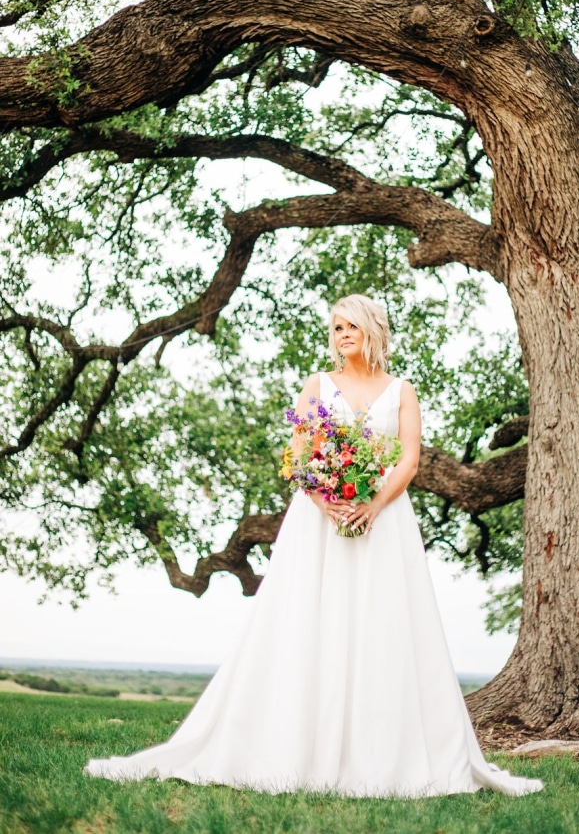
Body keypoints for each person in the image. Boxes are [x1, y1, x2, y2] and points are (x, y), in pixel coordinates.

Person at [86, 295, 543, 798]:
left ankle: (383, 750)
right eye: (336, 327)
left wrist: (371, 505)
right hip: (318, 521)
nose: (342, 334)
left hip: (384, 521)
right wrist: (330, 503)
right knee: (309, 620)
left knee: (381, 623)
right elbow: (302, 455)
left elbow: (409, 461)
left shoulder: (401, 391)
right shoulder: (318, 386)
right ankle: (295, 742)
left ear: (373, 329)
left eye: (351, 326)